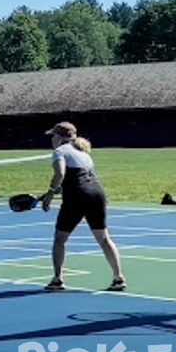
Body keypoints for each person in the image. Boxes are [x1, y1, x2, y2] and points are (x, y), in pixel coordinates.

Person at [39, 121, 126, 292]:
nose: (52, 139)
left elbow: (61, 174)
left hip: (77, 197)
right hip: (97, 194)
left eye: (53, 136)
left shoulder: (59, 152)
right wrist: (56, 190)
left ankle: (57, 279)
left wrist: (50, 193)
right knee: (104, 238)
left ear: (59, 137)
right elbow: (77, 178)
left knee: (59, 239)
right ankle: (118, 277)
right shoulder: (84, 153)